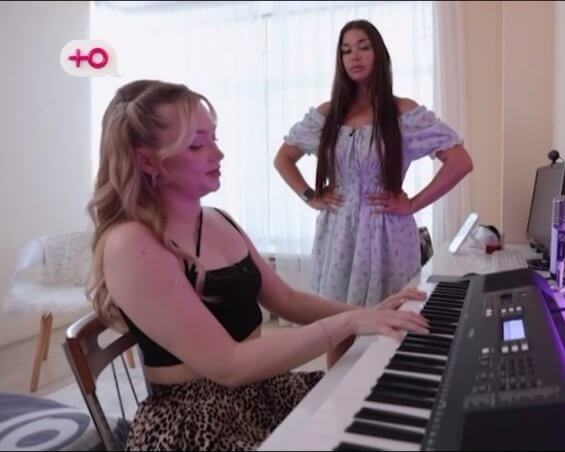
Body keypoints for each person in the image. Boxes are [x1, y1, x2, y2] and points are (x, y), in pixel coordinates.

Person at [87, 79, 429, 451]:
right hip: (192, 418)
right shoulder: (130, 245)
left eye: (214, 138)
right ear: (146, 159)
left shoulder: (217, 220)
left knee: (392, 408)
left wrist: (368, 313)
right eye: (198, 144)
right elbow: (229, 364)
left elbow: (287, 300)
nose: (218, 154)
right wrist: (349, 323)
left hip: (259, 391)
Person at [274, 19, 473, 309]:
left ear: (379, 54)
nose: (354, 56)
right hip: (338, 234)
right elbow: (283, 158)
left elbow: (460, 162)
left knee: (389, 319)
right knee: (336, 319)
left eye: (363, 47)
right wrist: (310, 196)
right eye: (346, 50)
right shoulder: (327, 114)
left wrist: (412, 204)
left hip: (386, 233)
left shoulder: (402, 112)